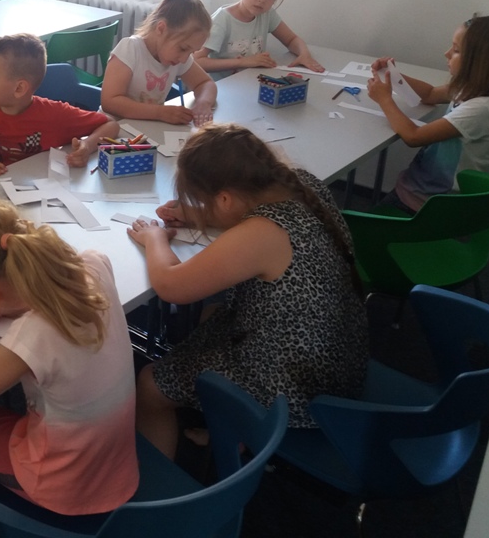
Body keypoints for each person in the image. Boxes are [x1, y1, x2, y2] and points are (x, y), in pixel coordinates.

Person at [127, 124, 367, 459]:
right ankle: (232, 425)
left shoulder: (264, 231)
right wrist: (197, 214)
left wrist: (154, 238)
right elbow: (241, 216)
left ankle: (160, 478)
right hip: (341, 357)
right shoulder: (299, 183)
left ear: (225, 199)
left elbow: (171, 285)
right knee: (211, 314)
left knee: (150, 383)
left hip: (299, 390)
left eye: (203, 200)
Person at [0, 199, 139, 515]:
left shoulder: (33, 333)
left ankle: (4, 497)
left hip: (65, 484)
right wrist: (19, 303)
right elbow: (60, 301)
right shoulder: (93, 263)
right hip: (117, 463)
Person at [367, 15, 489, 213]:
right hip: (422, 190)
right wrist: (394, 75)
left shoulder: (484, 108)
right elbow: (429, 94)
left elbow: (413, 136)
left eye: (456, 50)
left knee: (347, 226)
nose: (446, 53)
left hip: (433, 206)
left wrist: (384, 100)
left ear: (481, 62)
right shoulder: (473, 88)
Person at [0, 33, 119, 184]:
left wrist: (87, 146)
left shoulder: (54, 115)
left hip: (33, 196)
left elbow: (111, 125)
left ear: (19, 88)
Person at [100, 0, 217, 125]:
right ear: (161, 29)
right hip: (112, 128)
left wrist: (203, 103)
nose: (184, 59)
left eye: (191, 52)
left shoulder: (178, 58)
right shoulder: (130, 49)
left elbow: (205, 83)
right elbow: (110, 102)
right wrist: (160, 112)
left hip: (147, 128)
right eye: (183, 48)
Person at [194, 0, 324, 78]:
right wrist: (243, 62)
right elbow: (197, 61)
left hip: (251, 82)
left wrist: (304, 54)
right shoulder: (222, 20)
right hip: (223, 88)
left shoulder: (267, 14)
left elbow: (291, 39)